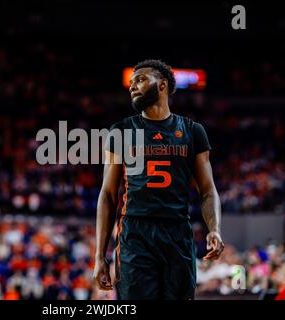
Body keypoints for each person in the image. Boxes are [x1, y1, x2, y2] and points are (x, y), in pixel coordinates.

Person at [93, 59, 224, 300]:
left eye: (141, 80)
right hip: (135, 232)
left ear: (162, 85)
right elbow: (108, 195)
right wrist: (99, 255)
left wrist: (214, 229)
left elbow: (208, 190)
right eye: (131, 82)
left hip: (177, 231)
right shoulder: (120, 131)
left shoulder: (192, 131)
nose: (133, 86)